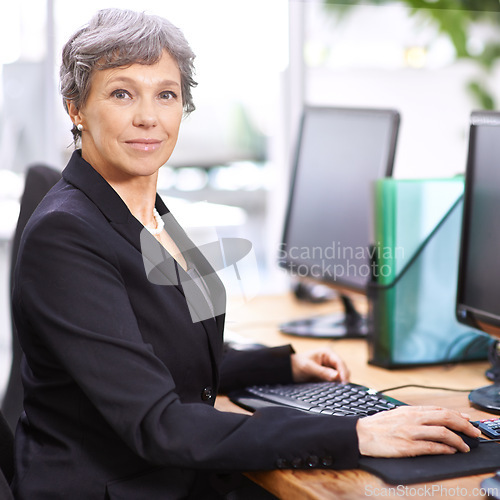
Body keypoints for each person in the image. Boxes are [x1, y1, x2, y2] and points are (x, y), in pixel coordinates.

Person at [11, 8, 480, 500]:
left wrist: (282, 365)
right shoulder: (66, 236)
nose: (148, 117)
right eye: (122, 93)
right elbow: (159, 423)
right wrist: (356, 434)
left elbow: (163, 351)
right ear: (75, 107)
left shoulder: (143, 209)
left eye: (166, 94)